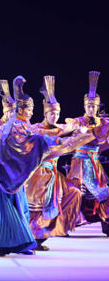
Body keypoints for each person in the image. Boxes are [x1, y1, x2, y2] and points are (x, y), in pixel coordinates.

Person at [0, 76, 93, 256]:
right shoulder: (14, 127)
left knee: (19, 211)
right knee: (5, 212)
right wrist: (63, 139)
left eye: (33, 109)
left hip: (14, 177)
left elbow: (34, 138)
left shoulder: (19, 125)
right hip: (7, 177)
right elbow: (33, 140)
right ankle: (2, 245)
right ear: (21, 110)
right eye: (30, 110)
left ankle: (17, 244)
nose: (32, 113)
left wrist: (65, 138)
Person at [27, 76, 83, 250]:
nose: (55, 116)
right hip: (39, 173)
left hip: (55, 174)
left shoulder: (60, 129)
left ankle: (58, 227)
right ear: (45, 114)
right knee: (38, 207)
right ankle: (34, 239)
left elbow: (75, 129)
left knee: (74, 192)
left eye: (57, 113)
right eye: (52, 113)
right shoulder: (36, 129)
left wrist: (78, 132)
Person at [65, 71, 109, 236]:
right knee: (74, 192)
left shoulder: (103, 123)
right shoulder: (78, 121)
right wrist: (78, 129)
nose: (91, 109)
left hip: (95, 162)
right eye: (89, 106)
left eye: (94, 106)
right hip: (80, 162)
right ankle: (65, 225)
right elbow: (69, 125)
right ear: (84, 107)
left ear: (98, 107)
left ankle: (107, 223)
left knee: (103, 193)